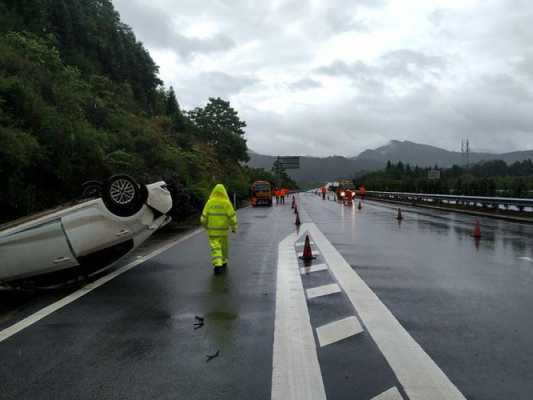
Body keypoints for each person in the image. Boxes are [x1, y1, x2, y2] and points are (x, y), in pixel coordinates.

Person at [200, 184, 238, 274]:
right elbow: (232, 217)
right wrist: (234, 228)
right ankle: (223, 261)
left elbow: (203, 218)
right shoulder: (227, 203)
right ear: (224, 192)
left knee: (215, 247)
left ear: (213, 192)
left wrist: (205, 226)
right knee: (224, 247)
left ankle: (217, 264)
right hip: (224, 231)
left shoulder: (209, 203)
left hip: (212, 231)